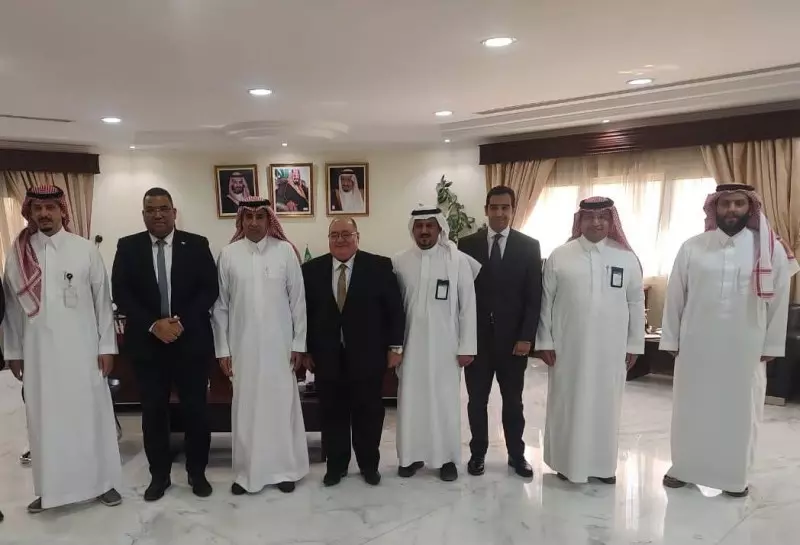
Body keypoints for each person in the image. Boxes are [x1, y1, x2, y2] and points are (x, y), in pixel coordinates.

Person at [660, 183, 799, 497]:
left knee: (740, 411)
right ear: (715, 208)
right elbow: (675, 295)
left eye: (739, 203)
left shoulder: (769, 249)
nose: (732, 210)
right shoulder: (693, 247)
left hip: (745, 344)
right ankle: (684, 469)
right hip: (697, 343)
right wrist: (670, 339)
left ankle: (734, 477)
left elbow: (779, 300)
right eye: (725, 204)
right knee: (691, 407)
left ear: (750, 208)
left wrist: (771, 344)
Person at [2, 185, 121, 514]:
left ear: (62, 211)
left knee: (91, 417)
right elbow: (12, 309)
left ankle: (103, 483)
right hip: (38, 355)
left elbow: (102, 303)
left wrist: (107, 346)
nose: (44, 214)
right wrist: (13, 351)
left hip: (84, 352)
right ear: (30, 212)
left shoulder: (84, 250)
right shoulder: (19, 253)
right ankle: (49, 490)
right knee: (45, 423)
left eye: (50, 208)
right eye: (38, 208)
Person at [111, 187, 219, 501]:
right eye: (151, 210)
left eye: (163, 209)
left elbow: (209, 289)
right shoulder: (128, 247)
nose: (157, 215)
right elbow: (121, 292)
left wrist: (179, 322)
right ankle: (159, 476)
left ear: (174, 212)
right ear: (143, 214)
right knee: (154, 413)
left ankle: (197, 473)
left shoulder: (196, 244)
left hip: (190, 342)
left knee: (196, 411)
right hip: (148, 345)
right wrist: (153, 324)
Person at [535, 197, 645, 484]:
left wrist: (634, 344)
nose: (596, 223)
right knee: (567, 403)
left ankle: (603, 466)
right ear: (580, 221)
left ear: (611, 221)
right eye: (590, 217)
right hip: (568, 348)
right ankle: (565, 463)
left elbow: (636, 302)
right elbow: (546, 302)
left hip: (611, 349)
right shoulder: (560, 255)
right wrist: (544, 341)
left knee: (606, 405)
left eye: (603, 217)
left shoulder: (626, 257)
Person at [212, 197, 309, 495]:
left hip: (280, 349)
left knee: (280, 407)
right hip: (242, 349)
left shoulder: (285, 252)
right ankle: (246, 473)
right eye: (248, 217)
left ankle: (285, 470)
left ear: (269, 220)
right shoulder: (228, 255)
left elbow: (298, 303)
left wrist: (299, 344)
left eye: (260, 216)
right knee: (246, 409)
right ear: (241, 220)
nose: (254, 222)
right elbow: (221, 307)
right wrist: (223, 350)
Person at [302, 217, 405, 486]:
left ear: (357, 237)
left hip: (368, 356)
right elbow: (304, 315)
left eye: (346, 234)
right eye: (334, 235)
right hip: (326, 357)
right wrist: (306, 350)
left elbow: (395, 310)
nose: (340, 240)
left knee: (368, 413)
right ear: (328, 239)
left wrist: (395, 347)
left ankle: (369, 465)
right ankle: (336, 466)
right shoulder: (311, 270)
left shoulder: (379, 266)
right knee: (332, 413)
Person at [458, 185, 542, 478]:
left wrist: (526, 337)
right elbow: (461, 295)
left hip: (513, 342)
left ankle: (516, 455)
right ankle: (477, 454)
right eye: (494, 207)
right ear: (486, 209)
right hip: (478, 341)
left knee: (513, 403)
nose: (499, 213)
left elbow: (534, 296)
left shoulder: (529, 246)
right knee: (476, 402)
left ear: (513, 210)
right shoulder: (466, 245)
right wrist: (463, 340)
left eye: (505, 207)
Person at [392, 205, 480, 481]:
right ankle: (410, 457)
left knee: (444, 403)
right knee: (411, 403)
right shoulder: (399, 261)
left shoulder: (458, 260)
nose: (424, 231)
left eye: (430, 225)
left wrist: (467, 347)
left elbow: (468, 306)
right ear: (412, 229)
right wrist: (394, 347)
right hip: (411, 347)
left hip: (446, 348)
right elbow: (393, 308)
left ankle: (447, 460)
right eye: (419, 226)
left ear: (440, 228)